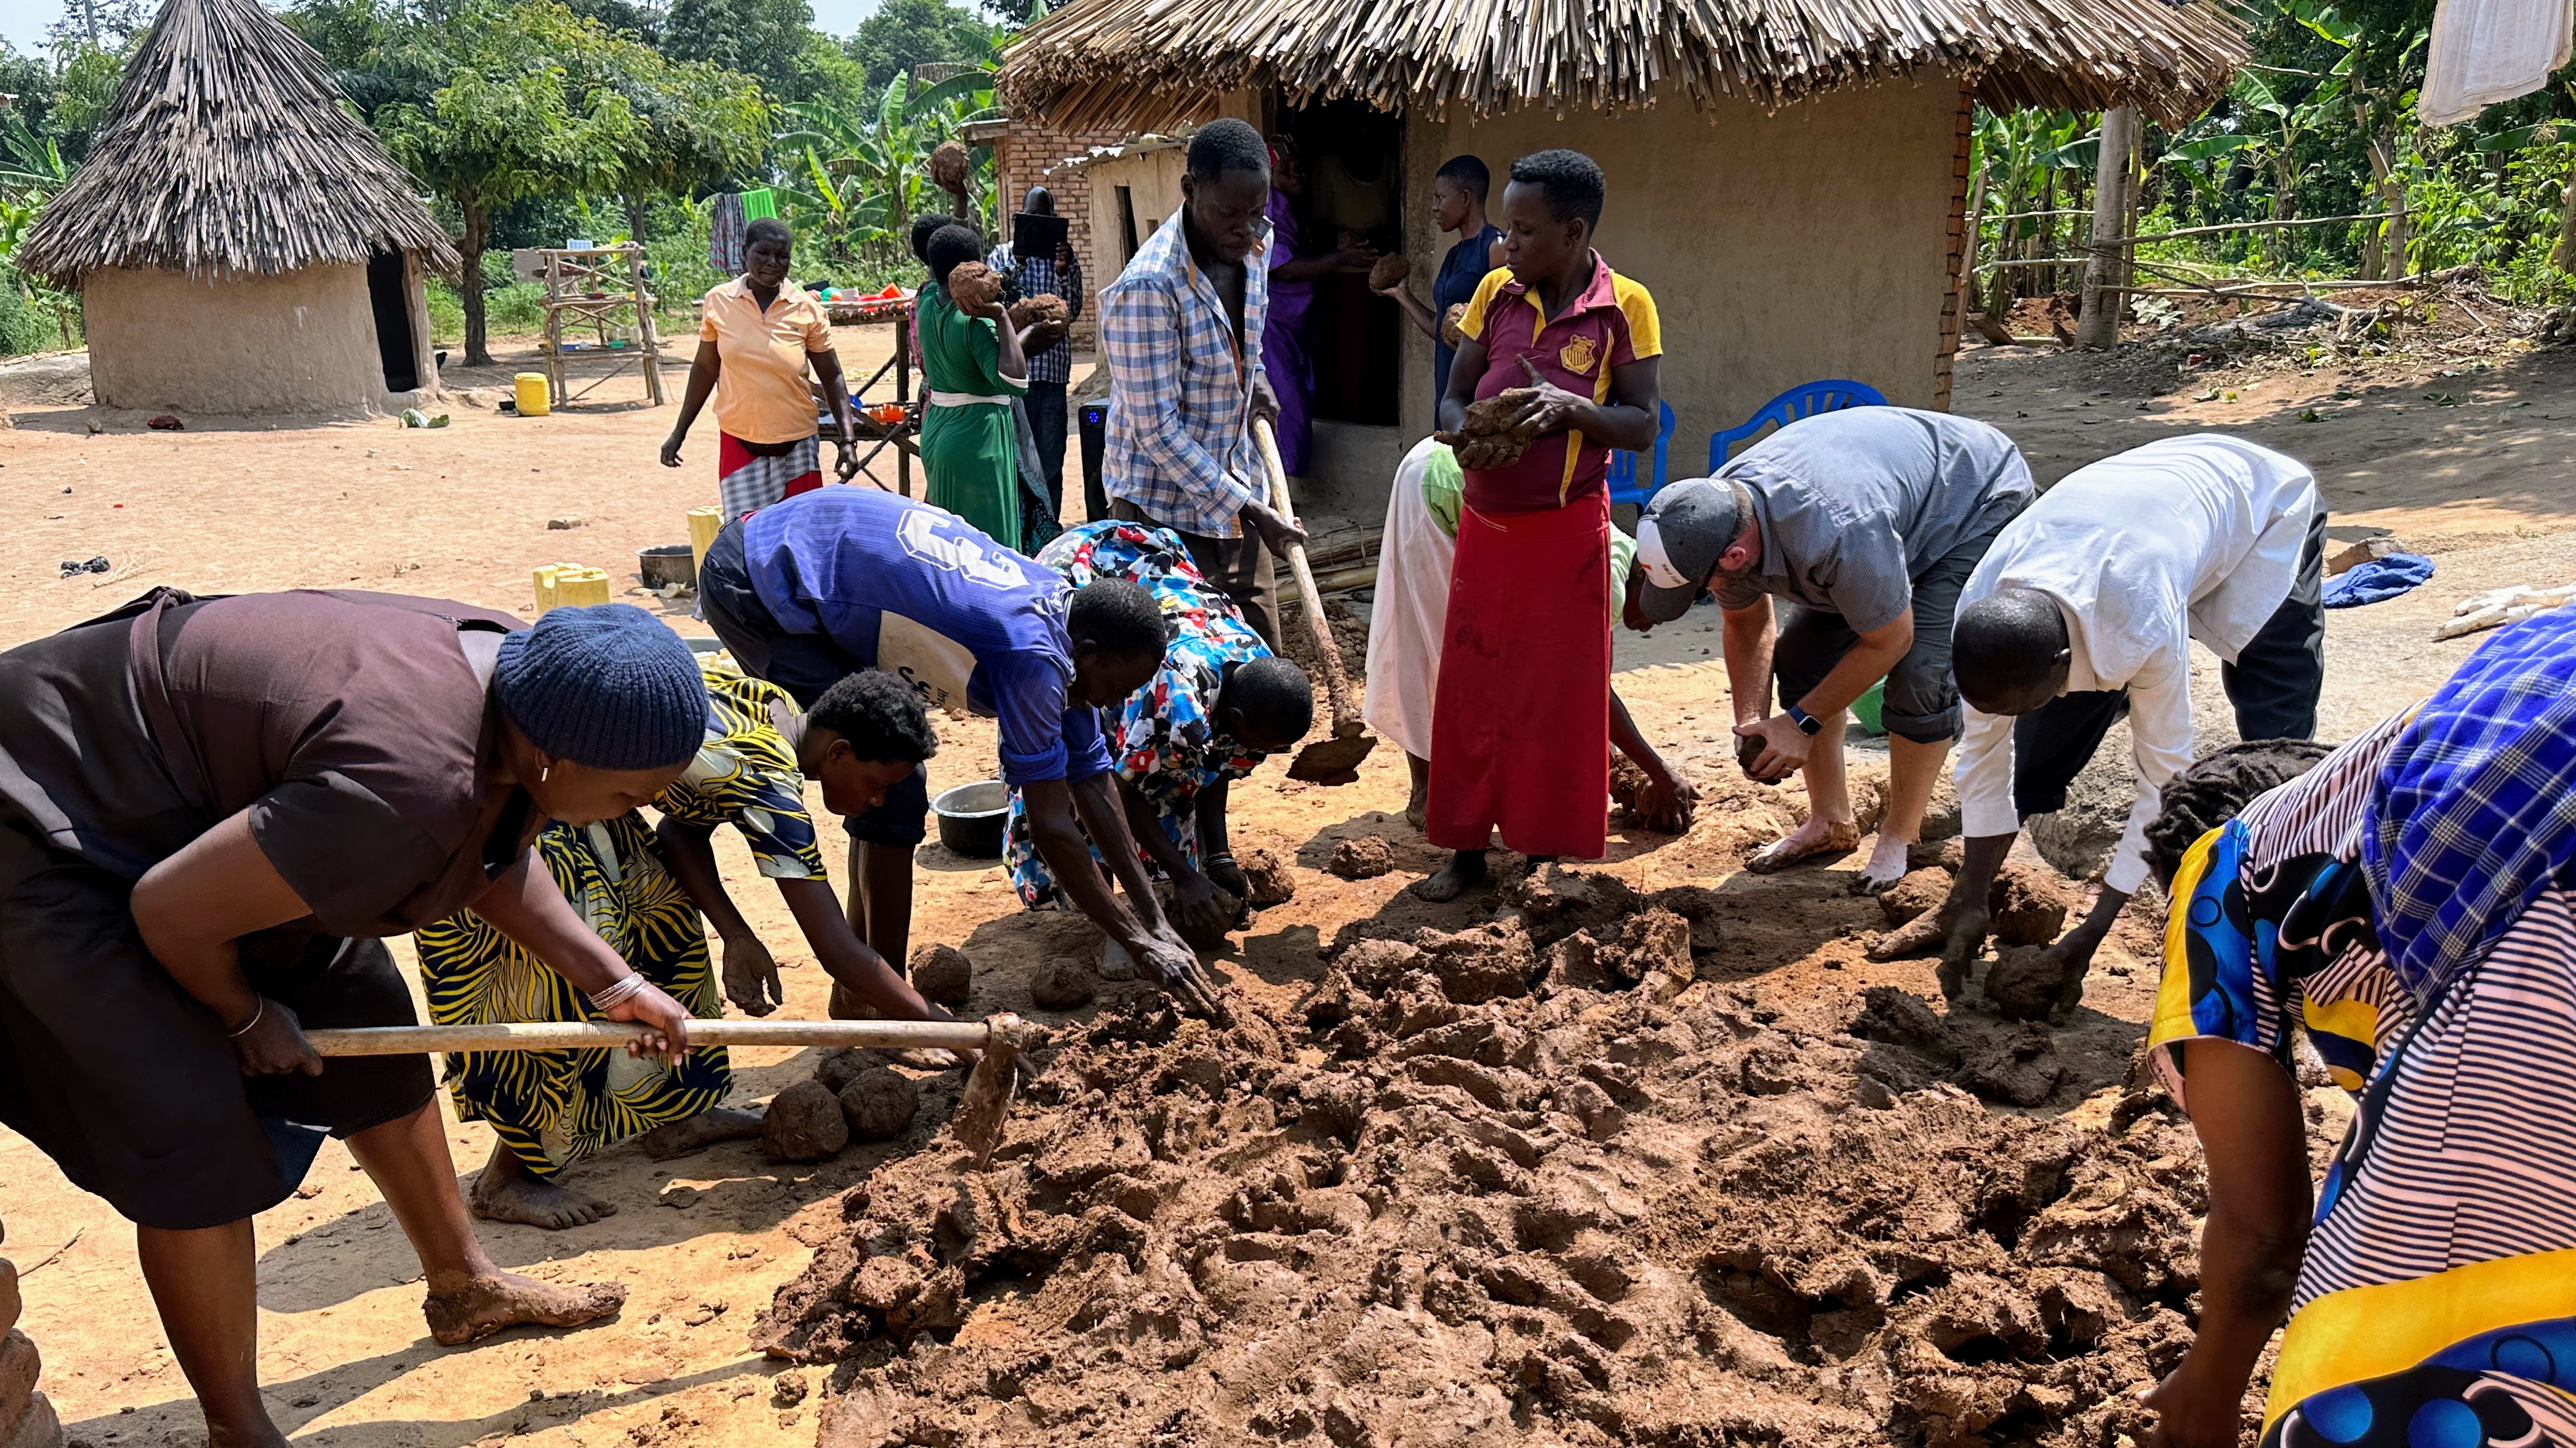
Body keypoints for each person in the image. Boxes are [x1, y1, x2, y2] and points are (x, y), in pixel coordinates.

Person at [0, 592, 709, 1448]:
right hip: (42, 819)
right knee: (186, 1120)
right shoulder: (404, 782)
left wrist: (610, 980)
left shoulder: (544, 678)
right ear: (553, 757)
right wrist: (243, 1012)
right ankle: (239, 1427)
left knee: (371, 1020)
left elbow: (484, 844)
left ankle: (464, 1283)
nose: (637, 807)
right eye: (633, 790)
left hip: (206, 812)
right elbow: (172, 911)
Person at [2141, 610, 2576, 1447]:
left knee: (2421, 1354)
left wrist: (2207, 1387)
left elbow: (2265, 1234)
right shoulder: (2416, 763)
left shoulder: (2222, 869)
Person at [414, 666, 961, 1229]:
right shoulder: (768, 778)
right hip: (529, 827)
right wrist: (949, 1029)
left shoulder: (769, 701)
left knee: (668, 932)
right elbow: (840, 953)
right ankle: (508, 1178)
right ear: (841, 752)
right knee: (576, 988)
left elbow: (681, 831)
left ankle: (677, 1114)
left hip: (598, 812)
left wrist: (737, 934)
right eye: (880, 783)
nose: (878, 799)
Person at [692, 484, 1222, 1012]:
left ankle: (861, 993)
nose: (1119, 701)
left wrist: (1153, 920)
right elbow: (1052, 826)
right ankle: (882, 1003)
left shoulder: (1063, 629)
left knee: (888, 779)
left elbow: (1092, 778)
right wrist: (1135, 940)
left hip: (822, 555)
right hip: (763, 578)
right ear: (1087, 654)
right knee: (892, 780)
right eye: (1120, 686)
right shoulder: (1032, 657)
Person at [1874, 433, 2325, 1013]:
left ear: (2063, 662)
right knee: (2036, 746)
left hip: (2264, 504)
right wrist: (1969, 896)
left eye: (2028, 697)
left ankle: (2263, 933)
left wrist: (2092, 933)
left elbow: (2167, 791)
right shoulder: (1985, 611)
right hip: (2137, 512)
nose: (2007, 713)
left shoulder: (2142, 627)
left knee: (2273, 727)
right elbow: (1986, 760)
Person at [1624, 408, 2034, 893]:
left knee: (1921, 674)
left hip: (1970, 506)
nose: (1706, 593)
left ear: (1736, 556)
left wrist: (1798, 724)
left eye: (1700, 586)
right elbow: (1746, 621)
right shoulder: (1712, 516)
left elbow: (1890, 639)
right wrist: (1752, 722)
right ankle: (1831, 823)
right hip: (1882, 517)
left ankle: (1899, 835)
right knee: (1802, 660)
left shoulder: (1836, 532)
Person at [1417, 149, 1664, 903]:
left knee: (1554, 698)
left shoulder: (1626, 305)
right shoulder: (1495, 293)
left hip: (1566, 535)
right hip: (1488, 529)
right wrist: (1468, 431)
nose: (1508, 244)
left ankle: (1541, 853)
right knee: (1472, 690)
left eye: (1524, 231)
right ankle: (1463, 848)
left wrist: (1572, 411)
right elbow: (1452, 398)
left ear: (1574, 230)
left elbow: (1643, 422)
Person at [1002, 520, 1314, 949]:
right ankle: (1119, 919)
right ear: (1236, 715)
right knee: (1082, 766)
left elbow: (1213, 765)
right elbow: (1123, 790)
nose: (1258, 755)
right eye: (1259, 745)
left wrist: (1217, 856)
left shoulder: (1255, 666)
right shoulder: (1178, 708)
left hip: (1148, 574)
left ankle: (1151, 896)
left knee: (1168, 775)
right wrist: (1186, 878)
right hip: (1089, 577)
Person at [1366, 436, 1696, 833]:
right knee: (1442, 654)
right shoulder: (1608, 580)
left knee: (1466, 659)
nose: (1649, 624)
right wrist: (1659, 772)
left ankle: (1453, 794)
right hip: (1442, 486)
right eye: (1654, 610)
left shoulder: (1621, 551)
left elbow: (1588, 687)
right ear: (1643, 575)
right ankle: (1429, 797)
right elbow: (1587, 690)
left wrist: (1619, 765)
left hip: (1453, 472)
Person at [1099, 116, 1308, 648]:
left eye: (1256, 210)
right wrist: (1250, 507)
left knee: (1263, 666)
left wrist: (1254, 372)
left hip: (1235, 486)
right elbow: (1158, 433)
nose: (1244, 227)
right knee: (1176, 676)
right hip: (1159, 507)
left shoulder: (1256, 245)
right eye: (1227, 213)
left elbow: (1244, 338)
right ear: (1190, 190)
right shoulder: (1149, 288)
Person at [662, 217, 859, 515]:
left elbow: (831, 376)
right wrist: (679, 432)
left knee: (799, 541)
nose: (773, 263)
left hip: (798, 448)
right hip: (739, 442)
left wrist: (848, 439)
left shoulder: (807, 309)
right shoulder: (719, 301)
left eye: (782, 256)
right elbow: (705, 368)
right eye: (763, 253)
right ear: (744, 253)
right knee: (744, 540)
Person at [1259, 134, 1377, 480]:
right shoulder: (1268, 205)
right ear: (1270, 174)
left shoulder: (1286, 207)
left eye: (1301, 170)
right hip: (1273, 325)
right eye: (1289, 171)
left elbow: (1298, 252)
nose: (1299, 177)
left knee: (1295, 397)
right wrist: (1342, 258)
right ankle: (1282, 491)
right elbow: (1283, 267)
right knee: (1286, 404)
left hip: (1292, 323)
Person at [918, 223, 1035, 545]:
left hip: (938, 430)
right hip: (977, 440)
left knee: (948, 547)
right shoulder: (977, 323)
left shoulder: (926, 302)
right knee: (986, 549)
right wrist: (1000, 315)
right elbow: (1015, 381)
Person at [1374, 155, 1505, 404]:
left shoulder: (1495, 248)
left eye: (1440, 198)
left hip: (1478, 393)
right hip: (1449, 390)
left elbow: (1510, 326)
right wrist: (1402, 295)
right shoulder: (1454, 254)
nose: (1434, 206)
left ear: (1466, 198)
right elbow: (1442, 329)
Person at [989, 186, 1084, 525]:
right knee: (1015, 456)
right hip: (1016, 375)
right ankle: (1017, 527)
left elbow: (1071, 310)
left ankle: (1049, 527)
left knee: (1051, 457)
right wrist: (1018, 263)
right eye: (1033, 220)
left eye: (1046, 220)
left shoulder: (1065, 262)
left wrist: (1063, 271)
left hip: (1054, 374)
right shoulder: (1002, 256)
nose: (1040, 227)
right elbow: (996, 300)